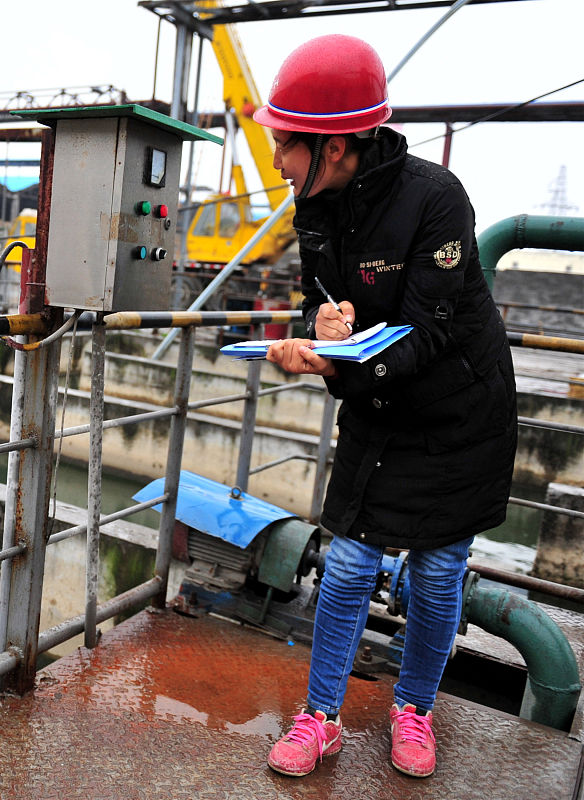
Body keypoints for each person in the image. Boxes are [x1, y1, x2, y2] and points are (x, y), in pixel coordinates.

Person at [253, 34, 518, 779]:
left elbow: (428, 331)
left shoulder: (437, 201)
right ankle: (320, 717)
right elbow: (321, 298)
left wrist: (336, 366)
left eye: (284, 143)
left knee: (436, 577)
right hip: (379, 406)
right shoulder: (314, 208)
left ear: (333, 145)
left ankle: (415, 709)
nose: (276, 159)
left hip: (460, 416)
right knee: (346, 567)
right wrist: (321, 329)